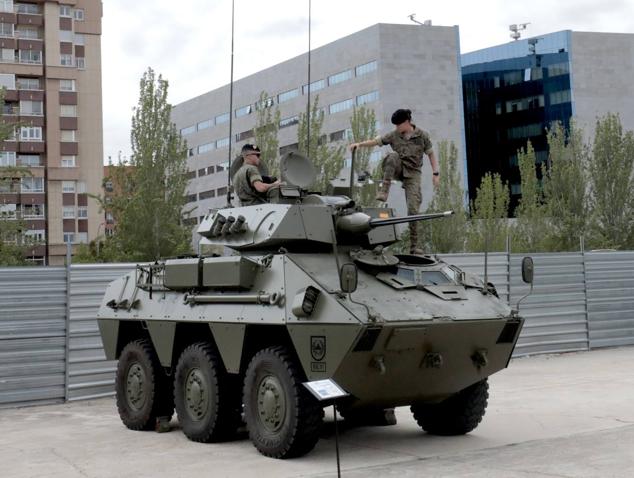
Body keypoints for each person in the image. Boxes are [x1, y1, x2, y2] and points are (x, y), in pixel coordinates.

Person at [349, 109, 439, 254]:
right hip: (398, 167)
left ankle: (414, 246)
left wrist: (436, 173)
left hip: (413, 174)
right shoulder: (393, 135)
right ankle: (384, 190)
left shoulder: (422, 136)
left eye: (399, 125)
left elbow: (431, 155)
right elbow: (376, 141)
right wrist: (359, 145)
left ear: (407, 122)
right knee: (392, 156)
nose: (397, 128)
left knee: (413, 209)